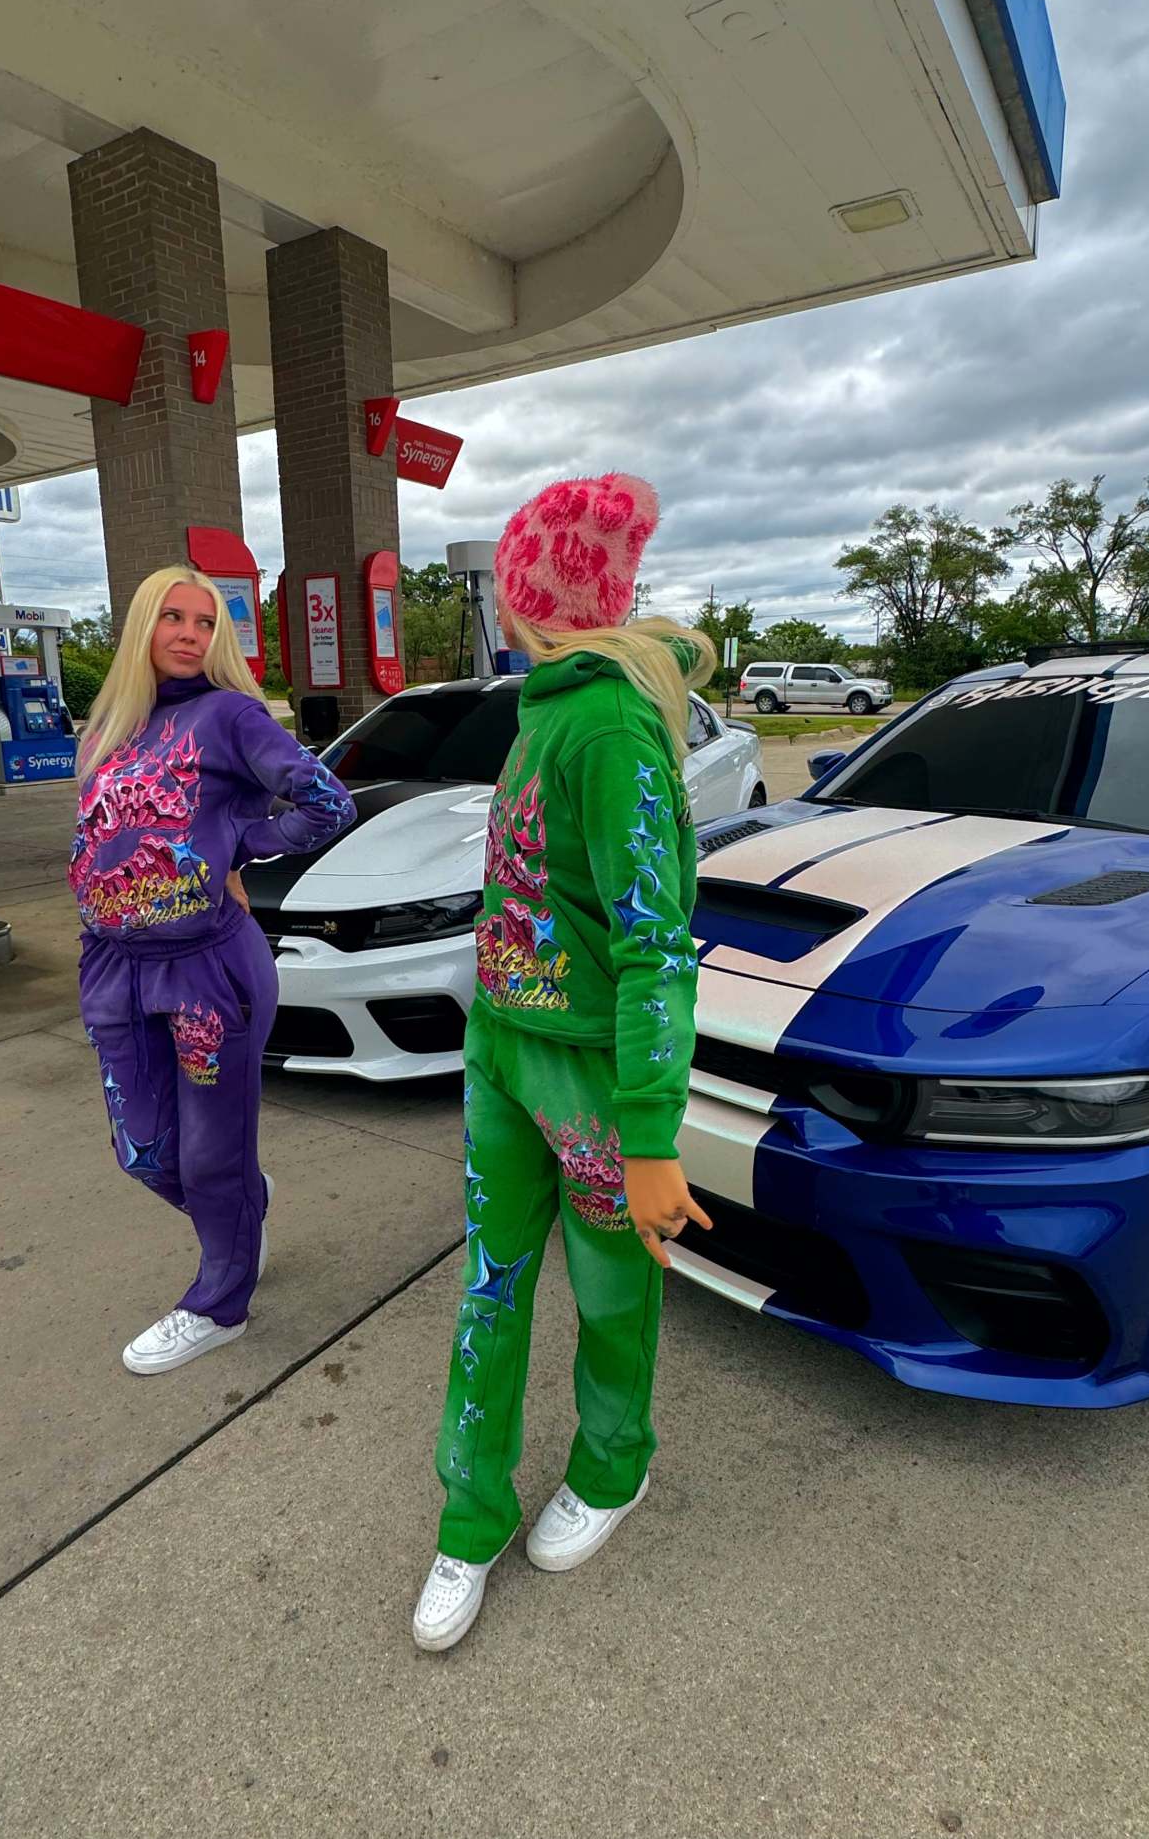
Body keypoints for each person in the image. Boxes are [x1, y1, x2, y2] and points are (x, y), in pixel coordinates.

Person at [413, 473, 716, 1652]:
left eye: (507, 578)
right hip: (501, 1053)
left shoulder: (606, 726)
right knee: (488, 1289)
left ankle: (610, 1464)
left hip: (589, 1078)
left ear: (525, 592)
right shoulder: (541, 711)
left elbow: (655, 945)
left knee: (609, 1296)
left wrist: (648, 1134)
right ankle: (468, 1514)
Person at [69, 565, 355, 1375]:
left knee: (208, 1156)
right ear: (143, 626)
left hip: (208, 971)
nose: (190, 634)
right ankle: (240, 1201)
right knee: (144, 1151)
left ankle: (219, 1303)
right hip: (114, 967)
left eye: (205, 622)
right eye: (174, 617)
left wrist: (238, 843)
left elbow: (328, 802)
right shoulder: (105, 730)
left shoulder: (229, 715)